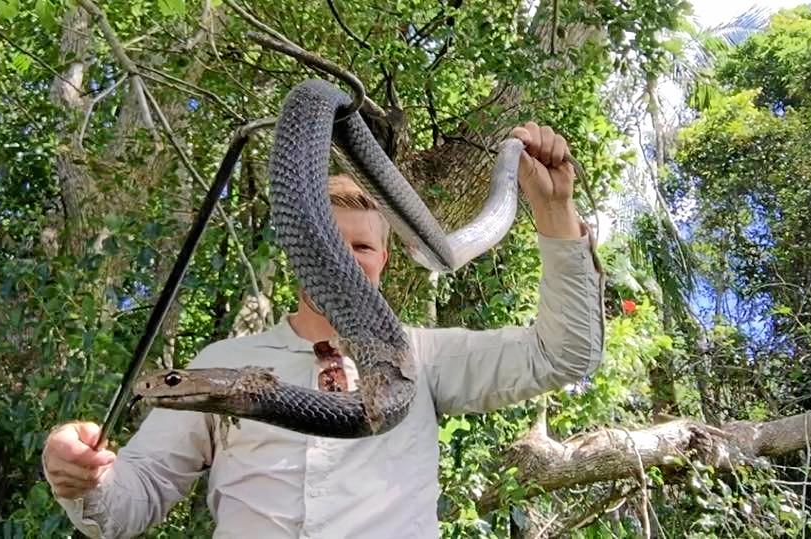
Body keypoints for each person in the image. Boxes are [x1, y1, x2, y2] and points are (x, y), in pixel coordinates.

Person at [41, 122, 604, 538]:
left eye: (360, 246)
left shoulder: (423, 356)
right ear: (301, 253)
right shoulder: (220, 363)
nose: (342, 261)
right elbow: (128, 502)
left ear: (385, 258)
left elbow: (565, 354)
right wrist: (82, 477)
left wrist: (554, 209)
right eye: (327, 244)